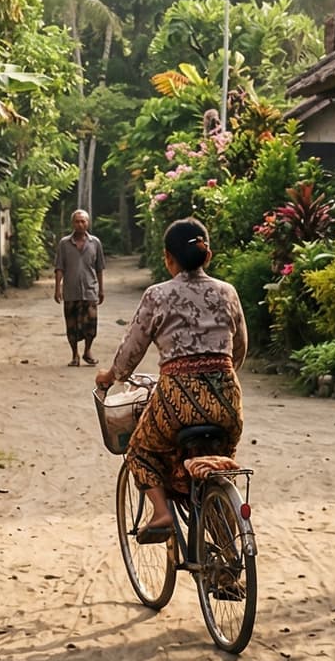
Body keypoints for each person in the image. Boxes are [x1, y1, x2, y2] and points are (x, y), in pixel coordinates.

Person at [95, 218, 248, 542]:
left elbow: (130, 353)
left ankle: (162, 513)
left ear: (168, 257)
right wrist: (218, 374)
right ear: (208, 255)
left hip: (177, 400)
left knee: (140, 450)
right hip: (227, 401)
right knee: (217, 464)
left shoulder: (158, 295)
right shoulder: (228, 292)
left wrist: (111, 376)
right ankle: (226, 564)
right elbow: (240, 349)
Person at [52, 209, 106, 368]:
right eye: (77, 221)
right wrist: (57, 288)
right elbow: (59, 267)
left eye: (83, 221)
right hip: (71, 291)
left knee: (91, 324)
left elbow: (100, 268)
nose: (80, 224)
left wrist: (101, 289)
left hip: (90, 290)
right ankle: (74, 355)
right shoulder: (64, 243)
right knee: (71, 325)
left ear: (88, 223)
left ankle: (87, 351)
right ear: (72, 224)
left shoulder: (95, 243)